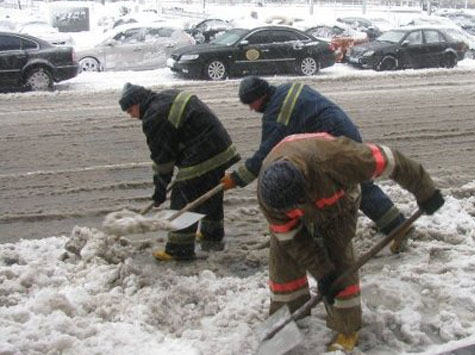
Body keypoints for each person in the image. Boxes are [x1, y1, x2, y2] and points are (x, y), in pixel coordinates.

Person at [256, 132, 444, 351]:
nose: (296, 212)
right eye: (290, 210)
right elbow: (292, 238)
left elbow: (392, 160)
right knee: (283, 258)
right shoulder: (269, 197)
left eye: (297, 205)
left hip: (337, 203)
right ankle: (289, 314)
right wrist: (322, 271)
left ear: (304, 187)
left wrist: (426, 190)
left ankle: (346, 327)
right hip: (298, 188)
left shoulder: (337, 159)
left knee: (339, 258)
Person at [221, 76, 410, 252]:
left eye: (251, 103)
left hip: (333, 145)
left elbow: (266, 155)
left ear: (260, 96)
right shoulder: (288, 88)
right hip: (344, 132)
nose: (251, 109)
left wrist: (236, 178)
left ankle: (398, 227)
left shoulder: (277, 114)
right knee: (360, 184)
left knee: (356, 186)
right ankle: (392, 222)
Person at [119, 83, 240, 261]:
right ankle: (212, 233)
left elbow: (163, 159)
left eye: (130, 110)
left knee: (183, 196)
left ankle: (179, 249)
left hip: (203, 151)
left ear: (138, 102)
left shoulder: (153, 117)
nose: (131, 115)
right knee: (208, 190)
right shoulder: (166, 96)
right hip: (219, 146)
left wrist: (160, 190)